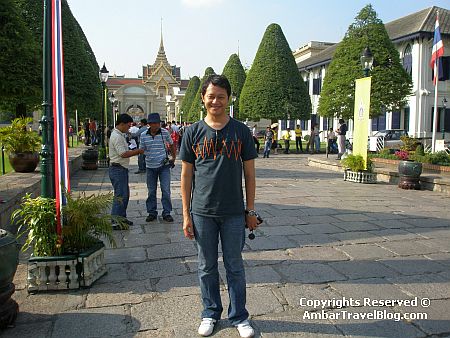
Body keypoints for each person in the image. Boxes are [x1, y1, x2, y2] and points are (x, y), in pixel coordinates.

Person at [179, 75, 258, 338]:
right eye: (211, 96)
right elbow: (186, 175)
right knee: (206, 266)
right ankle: (210, 313)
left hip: (234, 212)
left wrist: (250, 210)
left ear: (229, 99)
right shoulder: (192, 132)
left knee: (235, 265)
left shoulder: (240, 131)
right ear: (203, 98)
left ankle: (239, 316)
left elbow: (249, 174)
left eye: (221, 96)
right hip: (202, 212)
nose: (216, 101)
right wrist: (186, 214)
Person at [108, 114, 144, 226]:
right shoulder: (117, 136)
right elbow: (123, 153)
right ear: (122, 124)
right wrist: (138, 151)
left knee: (124, 195)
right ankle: (116, 221)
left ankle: (122, 218)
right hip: (117, 169)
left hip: (121, 169)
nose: (129, 128)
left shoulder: (120, 134)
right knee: (120, 196)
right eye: (128, 126)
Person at [140, 113, 176, 223]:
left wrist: (173, 157)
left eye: (157, 123)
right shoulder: (143, 135)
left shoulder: (164, 133)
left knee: (166, 190)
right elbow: (142, 150)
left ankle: (167, 212)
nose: (155, 125)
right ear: (149, 124)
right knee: (151, 191)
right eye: (152, 123)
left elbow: (171, 144)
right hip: (150, 166)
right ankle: (152, 212)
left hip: (163, 166)